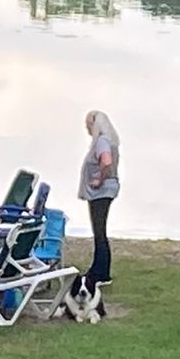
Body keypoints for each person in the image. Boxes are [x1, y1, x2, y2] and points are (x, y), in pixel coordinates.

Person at [78, 109, 121, 314]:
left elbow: (106, 162)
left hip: (101, 192)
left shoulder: (102, 141)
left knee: (99, 231)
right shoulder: (109, 140)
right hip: (106, 190)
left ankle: (101, 272)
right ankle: (99, 268)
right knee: (99, 231)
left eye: (88, 124)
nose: (86, 127)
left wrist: (99, 179)